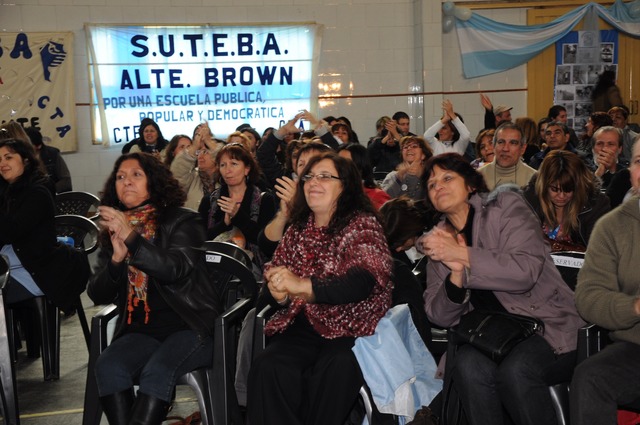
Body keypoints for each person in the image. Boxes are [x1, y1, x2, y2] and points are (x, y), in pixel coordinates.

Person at [418, 153, 584, 425]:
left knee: (516, 370)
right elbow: (439, 316)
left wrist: (463, 255)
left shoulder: (505, 207)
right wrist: (456, 276)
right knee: (467, 365)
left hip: (544, 324)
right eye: (432, 184)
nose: (439, 187)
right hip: (491, 334)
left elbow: (525, 272)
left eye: (447, 178)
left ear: (471, 185)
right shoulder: (439, 240)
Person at [247, 151, 393, 425]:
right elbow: (270, 290)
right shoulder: (298, 230)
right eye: (309, 177)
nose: (314, 182)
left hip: (352, 329)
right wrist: (279, 295)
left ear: (345, 186)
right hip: (303, 327)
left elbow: (362, 281)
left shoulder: (362, 225)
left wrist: (303, 286)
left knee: (336, 367)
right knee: (269, 366)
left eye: (325, 176)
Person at [88, 152, 220, 425]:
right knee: (108, 366)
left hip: (189, 327)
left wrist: (132, 239)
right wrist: (116, 260)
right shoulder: (114, 230)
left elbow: (173, 269)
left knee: (156, 372)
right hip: (141, 331)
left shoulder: (184, 220)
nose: (127, 181)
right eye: (120, 177)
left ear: (154, 181)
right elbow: (97, 293)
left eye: (136, 175)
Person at [570, 137, 640, 425]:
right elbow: (589, 297)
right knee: (590, 377)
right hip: (636, 346)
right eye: (639, 162)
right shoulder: (613, 226)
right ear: (630, 170)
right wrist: (634, 307)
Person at [0, 137, 89, 311]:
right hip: (13, 266)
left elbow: (11, 231)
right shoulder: (7, 191)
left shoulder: (37, 192)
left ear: (26, 160)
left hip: (35, 273)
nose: (2, 164)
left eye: (8, 157)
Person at [200, 143, 276, 267]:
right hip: (214, 268)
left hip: (253, 269)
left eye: (234, 164)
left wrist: (237, 215)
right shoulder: (209, 201)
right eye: (223, 165)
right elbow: (201, 240)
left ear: (247, 169)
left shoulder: (264, 200)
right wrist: (224, 224)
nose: (228, 170)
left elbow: (267, 243)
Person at [523, 150, 610, 252]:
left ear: (578, 186)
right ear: (544, 185)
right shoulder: (528, 200)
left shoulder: (596, 205)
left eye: (568, 189)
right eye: (554, 189)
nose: (561, 196)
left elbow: (600, 251)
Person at [171, 123, 222, 211]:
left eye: (205, 152)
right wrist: (195, 146)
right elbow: (178, 170)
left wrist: (209, 141)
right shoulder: (192, 177)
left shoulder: (226, 178)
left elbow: (226, 156)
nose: (200, 156)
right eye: (198, 152)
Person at [478, 122, 536, 190]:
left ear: (523, 149)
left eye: (513, 143)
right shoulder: (478, 177)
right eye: (501, 142)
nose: (505, 149)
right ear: (494, 146)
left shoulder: (535, 179)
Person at [338, 143, 390, 210]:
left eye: (346, 163)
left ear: (360, 166)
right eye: (338, 162)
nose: (341, 167)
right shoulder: (333, 194)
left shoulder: (377, 196)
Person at [21, 126, 72, 193]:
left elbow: (66, 181)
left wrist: (47, 191)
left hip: (53, 195)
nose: (24, 148)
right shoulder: (21, 157)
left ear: (38, 146)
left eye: (28, 145)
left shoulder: (52, 154)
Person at [381, 136, 433, 201]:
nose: (409, 148)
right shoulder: (393, 176)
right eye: (405, 147)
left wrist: (421, 176)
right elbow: (384, 199)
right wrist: (399, 178)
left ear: (423, 155)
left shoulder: (431, 176)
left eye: (414, 146)